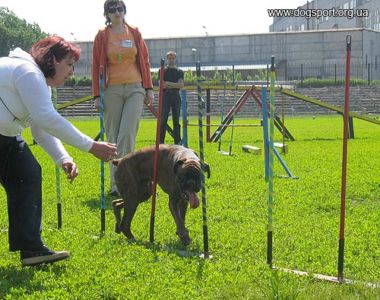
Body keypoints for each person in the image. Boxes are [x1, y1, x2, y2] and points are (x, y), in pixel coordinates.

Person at [0, 36, 117, 267]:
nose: (72, 71)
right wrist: (91, 146)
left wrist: (63, 157)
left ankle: (32, 249)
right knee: (26, 174)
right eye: (69, 64)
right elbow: (47, 119)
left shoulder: (39, 82)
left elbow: (40, 127)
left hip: (7, 137)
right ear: (52, 59)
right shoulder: (28, 72)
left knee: (28, 174)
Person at [92, 0, 154, 197]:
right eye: (112, 9)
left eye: (120, 8)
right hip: (111, 90)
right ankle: (115, 184)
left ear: (124, 11)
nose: (117, 12)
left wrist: (149, 88)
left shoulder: (134, 32)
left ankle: (124, 182)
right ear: (107, 14)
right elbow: (95, 66)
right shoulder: (102, 36)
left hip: (136, 87)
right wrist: (96, 94)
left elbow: (144, 60)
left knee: (127, 134)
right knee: (113, 138)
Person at [159, 51, 184, 144]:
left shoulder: (179, 71)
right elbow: (162, 85)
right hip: (166, 96)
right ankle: (161, 142)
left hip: (176, 96)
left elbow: (181, 85)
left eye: (173, 58)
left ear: (175, 59)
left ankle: (177, 142)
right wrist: (175, 84)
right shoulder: (162, 71)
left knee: (176, 120)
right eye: (169, 58)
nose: (171, 60)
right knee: (163, 119)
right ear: (167, 59)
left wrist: (168, 83)